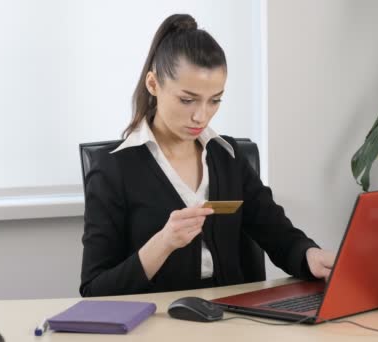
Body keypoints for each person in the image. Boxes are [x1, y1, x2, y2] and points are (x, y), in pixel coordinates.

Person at [80, 14, 335, 297]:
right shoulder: (113, 170)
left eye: (215, 100)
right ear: (153, 85)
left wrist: (309, 255)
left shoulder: (228, 157)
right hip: (155, 326)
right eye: (187, 100)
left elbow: (276, 232)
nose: (201, 115)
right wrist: (164, 242)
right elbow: (95, 291)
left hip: (233, 321)